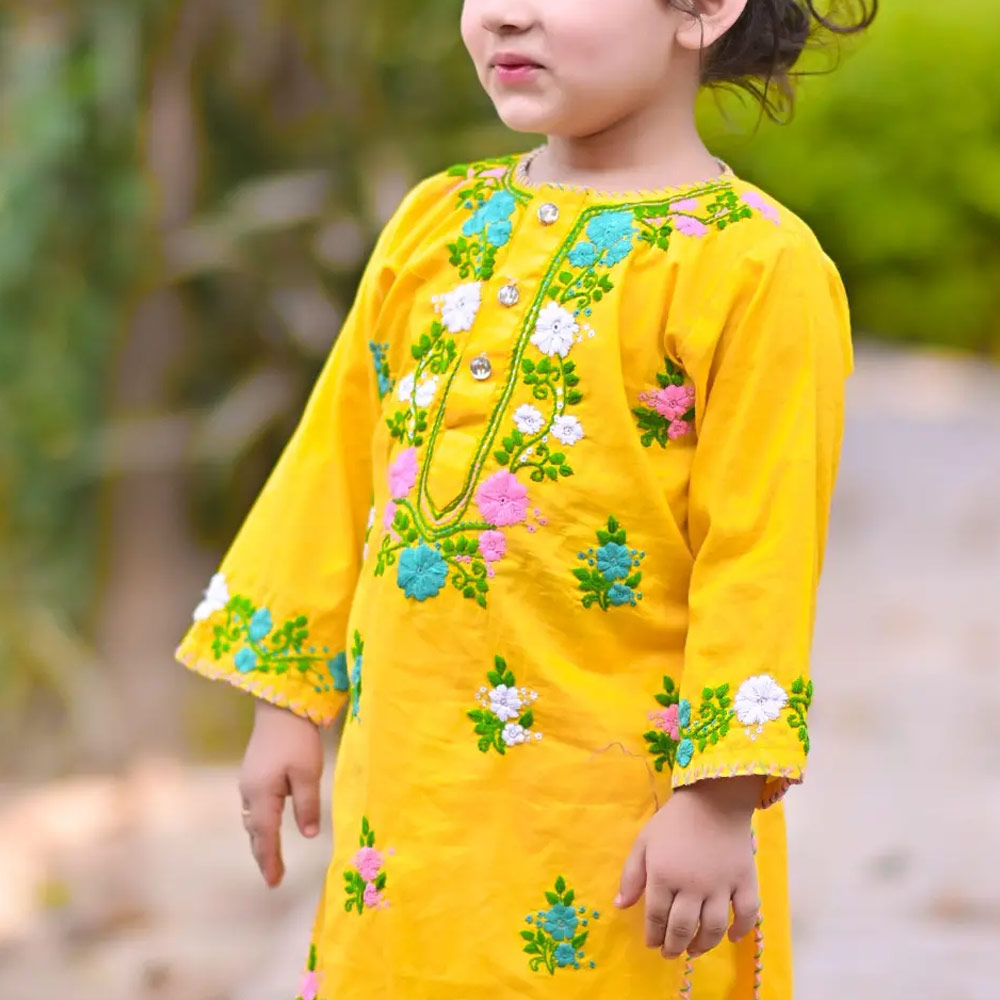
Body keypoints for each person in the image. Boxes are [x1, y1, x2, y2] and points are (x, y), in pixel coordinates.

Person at [176, 1, 876, 996]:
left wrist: (719, 801)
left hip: (618, 827)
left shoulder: (756, 268)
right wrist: (283, 701)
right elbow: (334, 459)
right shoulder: (435, 221)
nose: (504, 13)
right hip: (407, 806)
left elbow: (761, 550)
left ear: (703, 9)